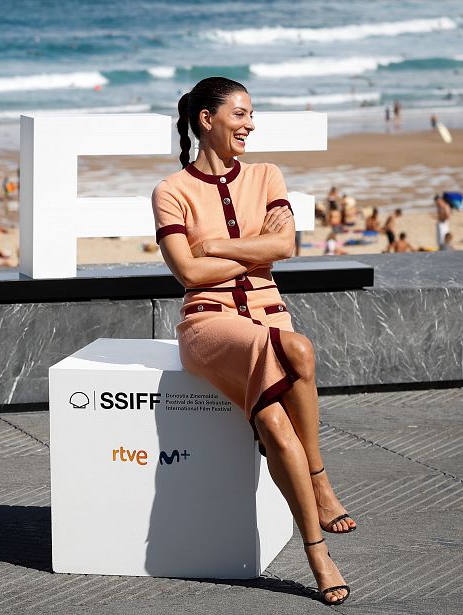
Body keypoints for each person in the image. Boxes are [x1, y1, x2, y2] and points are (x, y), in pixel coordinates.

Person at [153, 77, 353, 606]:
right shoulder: (171, 191)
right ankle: (321, 501)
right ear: (206, 120)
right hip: (209, 326)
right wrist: (252, 251)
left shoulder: (267, 175)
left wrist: (219, 243)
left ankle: (315, 540)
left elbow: (285, 244)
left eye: (251, 114)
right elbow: (190, 275)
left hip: (269, 315)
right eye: (239, 114)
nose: (250, 124)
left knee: (275, 414)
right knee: (297, 350)